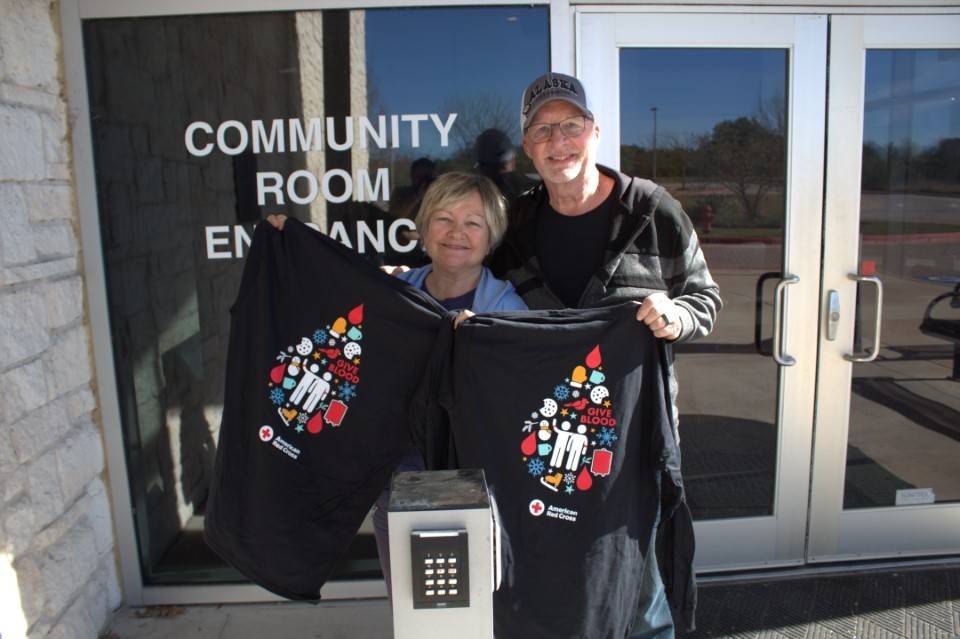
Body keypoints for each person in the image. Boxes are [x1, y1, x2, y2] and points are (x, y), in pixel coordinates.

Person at [488, 72, 722, 639]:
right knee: (554, 581)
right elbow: (470, 288)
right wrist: (412, 281)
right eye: (543, 130)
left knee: (637, 588)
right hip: (544, 442)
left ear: (594, 132)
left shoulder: (651, 209)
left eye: (570, 125)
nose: (558, 141)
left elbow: (706, 300)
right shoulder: (514, 224)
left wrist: (675, 315)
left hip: (632, 444)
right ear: (527, 146)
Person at [266, 171, 527, 598]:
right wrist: (291, 247)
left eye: (473, 222)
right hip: (398, 485)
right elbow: (329, 298)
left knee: (475, 608)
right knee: (411, 605)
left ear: (491, 236)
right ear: (422, 230)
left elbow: (515, 401)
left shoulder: (507, 308)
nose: (456, 233)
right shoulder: (394, 291)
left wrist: (482, 343)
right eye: (443, 218)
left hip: (477, 488)